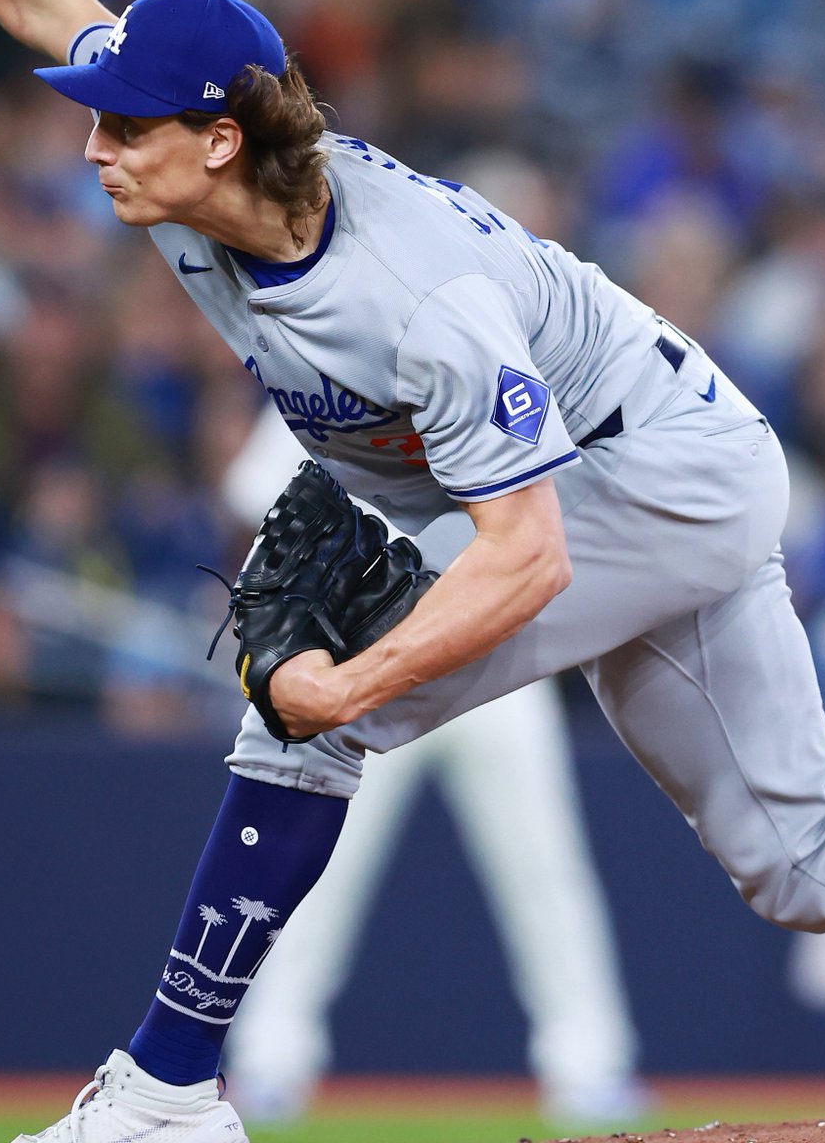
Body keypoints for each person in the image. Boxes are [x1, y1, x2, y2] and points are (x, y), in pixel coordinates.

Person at [0, 0, 825, 1141]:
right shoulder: (202, 172)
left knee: (308, 719)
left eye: (123, 127)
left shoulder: (415, 298)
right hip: (634, 458)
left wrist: (347, 687)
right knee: (814, 864)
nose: (94, 148)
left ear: (219, 137)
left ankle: (163, 1094)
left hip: (652, 473)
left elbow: (529, 558)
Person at [220, 410, 644, 1128]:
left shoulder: (490, 361)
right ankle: (272, 1060)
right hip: (370, 663)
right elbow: (250, 502)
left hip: (498, 658)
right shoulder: (329, 373)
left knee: (545, 871)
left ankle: (589, 1066)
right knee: (324, 870)